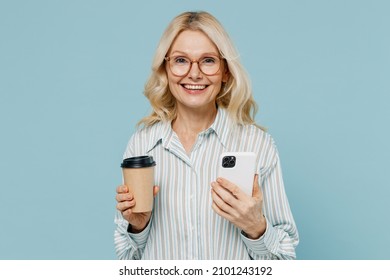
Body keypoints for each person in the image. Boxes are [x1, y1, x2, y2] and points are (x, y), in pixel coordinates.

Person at [114, 11, 299, 260]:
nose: (194, 73)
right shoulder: (142, 145)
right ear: (165, 69)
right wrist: (138, 227)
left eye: (208, 60)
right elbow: (127, 259)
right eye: (181, 60)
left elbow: (285, 261)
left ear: (225, 71)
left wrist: (256, 228)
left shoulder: (258, 146)